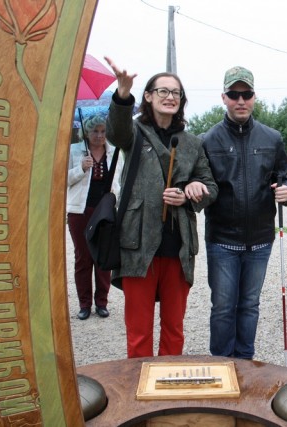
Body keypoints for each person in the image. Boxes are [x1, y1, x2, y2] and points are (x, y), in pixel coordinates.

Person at [104, 57, 218, 358]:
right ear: (149, 96)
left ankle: (168, 390)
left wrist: (193, 193)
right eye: (163, 91)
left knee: (174, 329)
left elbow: (210, 186)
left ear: (181, 101)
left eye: (176, 93)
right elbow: (115, 134)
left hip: (178, 247)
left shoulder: (192, 142)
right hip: (137, 243)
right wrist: (122, 94)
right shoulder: (135, 133)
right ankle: (138, 396)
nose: (170, 97)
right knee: (139, 331)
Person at [202, 66, 287, 360]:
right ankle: (221, 362)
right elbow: (201, 181)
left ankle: (243, 362)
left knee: (250, 304)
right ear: (224, 97)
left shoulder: (272, 138)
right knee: (223, 306)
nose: (240, 100)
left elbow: (285, 176)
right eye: (234, 94)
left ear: (254, 97)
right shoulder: (208, 140)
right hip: (222, 240)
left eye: (246, 94)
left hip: (260, 239)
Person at [67, 114, 122, 320]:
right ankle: (84, 304)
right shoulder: (74, 151)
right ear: (86, 132)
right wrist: (81, 168)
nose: (99, 135)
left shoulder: (115, 153)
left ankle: (101, 303)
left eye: (103, 131)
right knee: (83, 258)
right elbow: (63, 179)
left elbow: (118, 183)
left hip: (104, 212)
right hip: (79, 212)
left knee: (102, 258)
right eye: (95, 131)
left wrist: (115, 205)